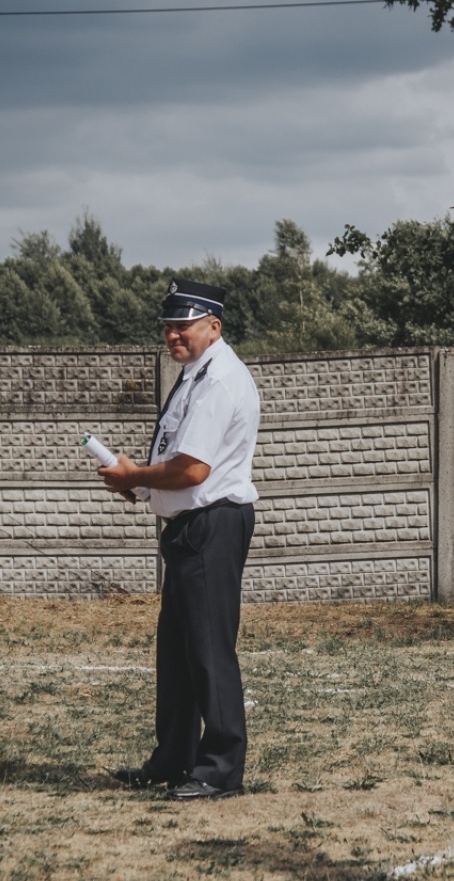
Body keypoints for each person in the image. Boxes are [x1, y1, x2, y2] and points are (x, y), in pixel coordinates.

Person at [98, 278, 260, 801]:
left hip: (213, 523)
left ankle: (220, 767)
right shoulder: (196, 375)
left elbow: (192, 470)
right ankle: (174, 756)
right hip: (191, 527)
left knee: (209, 649)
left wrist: (135, 477)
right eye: (167, 326)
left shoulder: (219, 381)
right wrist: (141, 485)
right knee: (178, 649)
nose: (172, 334)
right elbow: (176, 464)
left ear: (214, 326)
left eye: (183, 324)